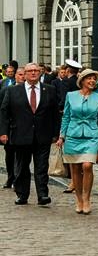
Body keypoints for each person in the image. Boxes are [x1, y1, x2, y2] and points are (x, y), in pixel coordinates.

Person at [0, 63, 58, 206]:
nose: (33, 73)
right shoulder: (13, 91)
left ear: (40, 73)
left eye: (36, 71)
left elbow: (55, 113)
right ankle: (22, 194)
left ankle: (43, 194)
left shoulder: (49, 90)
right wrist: (3, 132)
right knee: (22, 167)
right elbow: (4, 112)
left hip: (42, 135)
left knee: (42, 166)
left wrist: (56, 133)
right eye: (30, 71)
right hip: (20, 134)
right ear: (24, 74)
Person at [58, 69, 98, 215]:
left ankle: (87, 198)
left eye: (94, 79)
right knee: (76, 168)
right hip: (73, 135)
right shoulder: (71, 96)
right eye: (89, 78)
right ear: (82, 81)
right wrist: (62, 136)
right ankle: (79, 199)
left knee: (87, 165)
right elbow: (66, 116)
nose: (92, 81)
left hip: (91, 135)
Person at [1, 66, 24, 188]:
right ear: (15, 76)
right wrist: (2, 131)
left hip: (24, 128)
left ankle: (18, 179)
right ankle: (10, 177)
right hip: (10, 128)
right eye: (20, 74)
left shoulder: (29, 90)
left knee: (21, 155)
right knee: (9, 155)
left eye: (24, 74)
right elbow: (2, 110)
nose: (22, 77)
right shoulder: (7, 90)